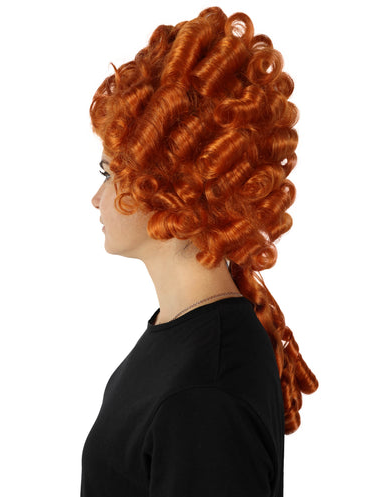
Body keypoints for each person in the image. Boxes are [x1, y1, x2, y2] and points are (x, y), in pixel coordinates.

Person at [82, 6, 319, 497]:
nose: (96, 198)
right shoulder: (187, 335)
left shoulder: (205, 392)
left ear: (171, 186)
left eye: (109, 173)